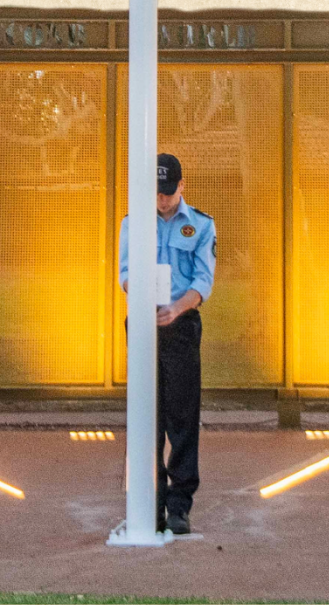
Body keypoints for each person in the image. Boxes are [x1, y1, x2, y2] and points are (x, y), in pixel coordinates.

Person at [119, 153, 215, 535]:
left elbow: (203, 280)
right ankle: (151, 502)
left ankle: (179, 505)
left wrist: (177, 308)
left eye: (169, 192)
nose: (162, 199)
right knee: (147, 415)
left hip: (181, 324)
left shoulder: (201, 225)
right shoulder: (133, 223)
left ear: (182, 186)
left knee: (182, 416)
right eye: (158, 192)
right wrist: (142, 298)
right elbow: (125, 273)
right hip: (144, 324)